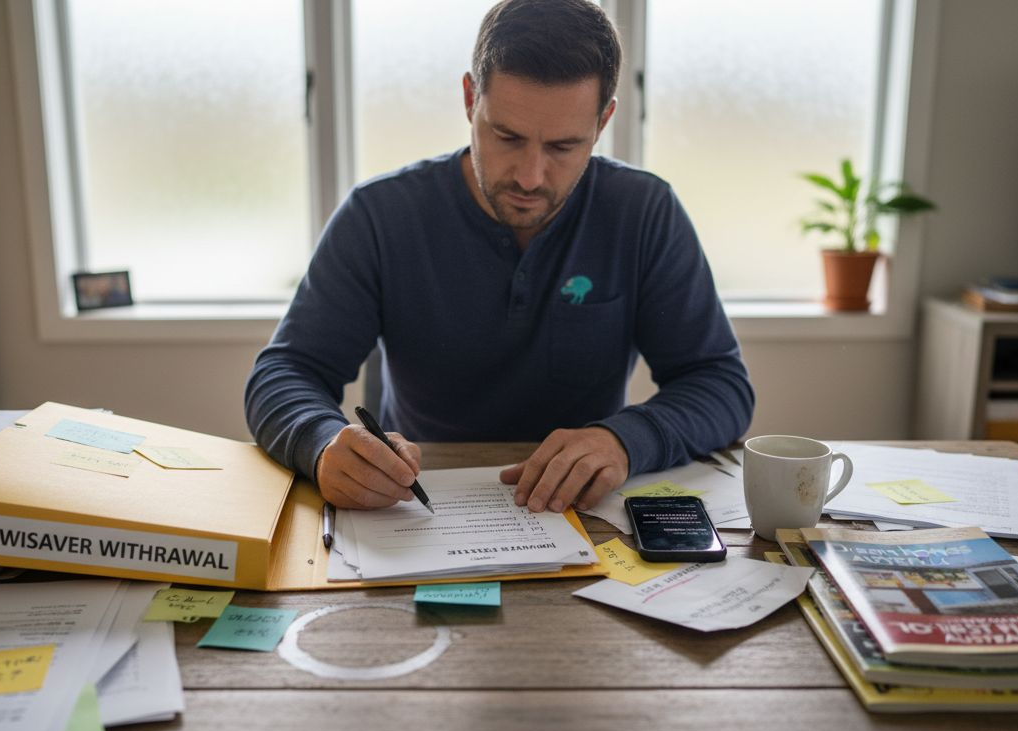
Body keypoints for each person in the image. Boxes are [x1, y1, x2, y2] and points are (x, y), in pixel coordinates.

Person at [245, 0, 753, 515]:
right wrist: (322, 443)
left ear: (603, 121)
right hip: (413, 510)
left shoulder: (643, 212)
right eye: (507, 137)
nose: (530, 177)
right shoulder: (381, 215)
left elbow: (720, 384)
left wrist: (625, 440)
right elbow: (286, 372)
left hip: (583, 517)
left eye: (563, 147)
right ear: (471, 99)